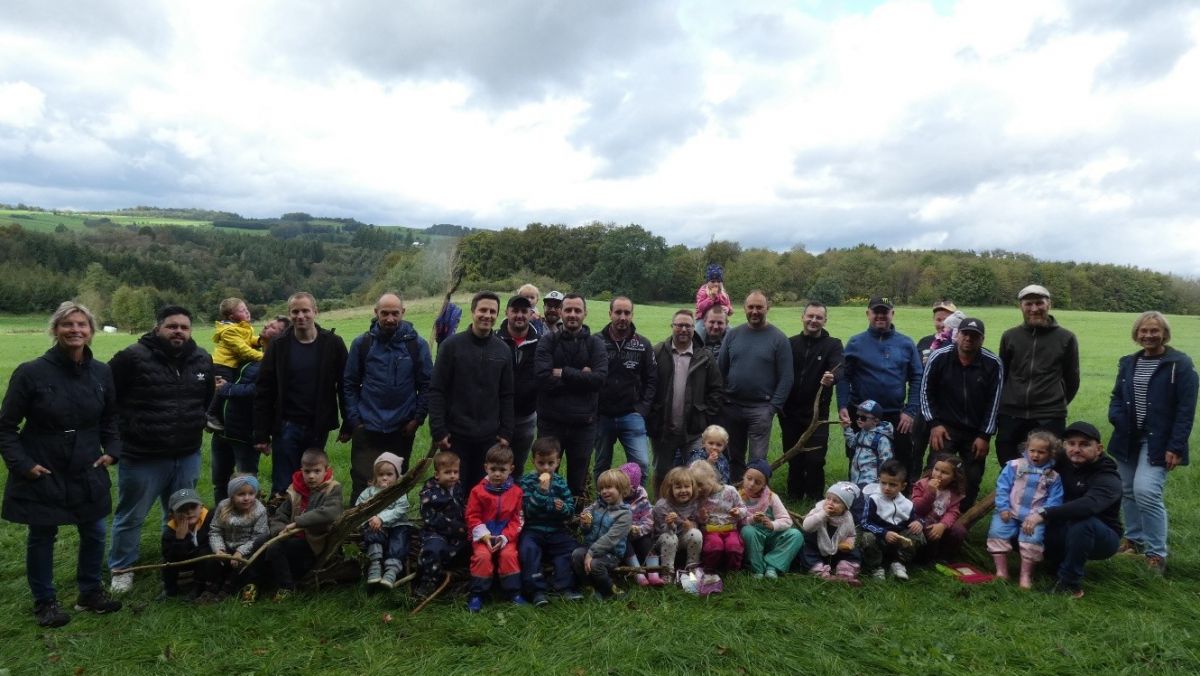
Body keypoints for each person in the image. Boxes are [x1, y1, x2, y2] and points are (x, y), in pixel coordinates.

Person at [0, 301, 122, 626]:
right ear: (55, 330)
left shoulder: (101, 372)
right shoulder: (30, 372)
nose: (76, 330)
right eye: (68, 324)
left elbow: (111, 418)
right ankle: (45, 601)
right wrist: (23, 465)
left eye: (82, 325)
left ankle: (90, 592)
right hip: (43, 465)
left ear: (91, 332)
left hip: (87, 463)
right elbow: (6, 427)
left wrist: (112, 449)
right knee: (43, 534)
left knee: (95, 531)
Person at [108, 304, 213, 594]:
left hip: (187, 453)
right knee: (132, 515)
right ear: (158, 328)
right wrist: (118, 438)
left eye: (184, 327)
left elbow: (206, 401)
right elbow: (108, 401)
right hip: (143, 456)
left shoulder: (202, 359)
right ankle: (122, 568)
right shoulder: (131, 358)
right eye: (172, 326)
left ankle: (179, 560)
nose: (178, 331)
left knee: (183, 512)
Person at [1107, 311, 1196, 575]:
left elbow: (1186, 410)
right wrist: (1117, 418)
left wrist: (1176, 446)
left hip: (1158, 441)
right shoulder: (1128, 362)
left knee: (1146, 491)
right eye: (1143, 331)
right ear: (1136, 334)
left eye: (1154, 331)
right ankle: (1134, 540)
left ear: (1164, 333)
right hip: (1127, 438)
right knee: (1128, 490)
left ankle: (1156, 553)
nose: (1148, 335)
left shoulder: (1180, 364)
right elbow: (1116, 396)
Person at [254, 292, 350, 498]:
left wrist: (348, 423)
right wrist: (261, 432)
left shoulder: (332, 344)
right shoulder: (278, 346)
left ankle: (310, 525)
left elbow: (345, 385)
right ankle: (280, 526)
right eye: (295, 311)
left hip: (318, 426)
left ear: (315, 311)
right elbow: (264, 390)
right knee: (283, 483)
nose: (300, 316)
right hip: (286, 426)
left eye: (305, 310)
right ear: (289, 314)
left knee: (314, 481)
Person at [343, 292, 432, 501]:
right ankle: (356, 526)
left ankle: (392, 526)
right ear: (376, 313)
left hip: (401, 428)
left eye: (395, 313)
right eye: (385, 313)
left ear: (403, 312)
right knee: (362, 481)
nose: (390, 319)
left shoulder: (416, 345)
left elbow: (427, 385)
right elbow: (349, 384)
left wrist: (416, 420)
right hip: (367, 427)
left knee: (395, 483)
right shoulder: (362, 344)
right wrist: (355, 421)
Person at [1024, 422, 1121, 598]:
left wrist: (1044, 514)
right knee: (1019, 523)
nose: (1076, 449)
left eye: (1084, 444)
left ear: (1098, 449)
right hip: (1064, 526)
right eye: (1071, 443)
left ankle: (1070, 584)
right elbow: (1029, 454)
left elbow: (1088, 505)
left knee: (1083, 523)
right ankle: (1054, 562)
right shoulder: (1062, 460)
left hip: (1102, 536)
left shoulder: (1107, 476)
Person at [429, 290, 515, 490]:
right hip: (455, 436)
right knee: (454, 488)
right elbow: (436, 390)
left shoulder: (503, 350)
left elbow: (507, 394)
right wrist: (438, 430)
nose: (487, 315)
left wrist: (506, 432)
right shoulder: (451, 346)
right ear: (473, 312)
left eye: (492, 311)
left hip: (489, 436)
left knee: (483, 491)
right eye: (483, 310)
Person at [918, 317, 1003, 510]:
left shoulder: (993, 363)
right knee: (935, 472)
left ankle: (959, 522)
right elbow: (925, 392)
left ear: (982, 339)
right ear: (957, 335)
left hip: (975, 431)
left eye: (975, 336)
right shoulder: (939, 356)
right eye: (965, 334)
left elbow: (995, 401)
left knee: (971, 478)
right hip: (944, 428)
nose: (969, 339)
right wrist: (934, 424)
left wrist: (984, 435)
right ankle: (925, 516)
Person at [837, 296, 923, 487]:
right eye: (876, 312)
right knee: (858, 455)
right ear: (868, 314)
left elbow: (917, 377)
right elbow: (844, 376)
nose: (881, 316)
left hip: (896, 416)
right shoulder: (856, 343)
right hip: (861, 414)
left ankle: (900, 503)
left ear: (892, 314)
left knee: (900, 459)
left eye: (885, 312)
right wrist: (842, 404)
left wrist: (910, 411)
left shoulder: (906, 343)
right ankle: (857, 496)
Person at [995, 284, 1080, 465]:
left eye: (1039, 303)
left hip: (1049, 415)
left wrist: (1054, 401)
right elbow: (1003, 374)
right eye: (1029, 304)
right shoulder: (1010, 336)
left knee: (1049, 469)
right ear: (1021, 306)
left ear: (1049, 304)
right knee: (1009, 466)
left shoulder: (1066, 338)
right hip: (1011, 414)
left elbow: (1072, 379)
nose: (1034, 309)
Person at [534, 293, 608, 496]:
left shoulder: (596, 344)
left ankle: (574, 522)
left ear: (585, 313)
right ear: (560, 312)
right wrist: (581, 377)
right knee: (546, 478)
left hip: (583, 424)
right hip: (551, 422)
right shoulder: (548, 342)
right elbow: (542, 379)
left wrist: (563, 372)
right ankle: (543, 520)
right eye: (568, 310)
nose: (572, 314)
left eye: (577, 310)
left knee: (578, 482)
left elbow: (598, 380)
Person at [717, 290, 794, 482]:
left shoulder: (778, 338)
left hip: (761, 409)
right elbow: (720, 369)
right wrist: (723, 400)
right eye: (750, 307)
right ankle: (735, 496)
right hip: (732, 406)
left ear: (767, 308)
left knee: (757, 460)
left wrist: (773, 407)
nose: (755, 311)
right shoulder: (733, 335)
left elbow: (787, 378)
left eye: (759, 307)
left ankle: (755, 503)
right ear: (744, 308)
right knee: (733, 457)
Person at [212, 315, 288, 503]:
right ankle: (222, 518)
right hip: (222, 429)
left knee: (246, 482)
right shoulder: (249, 353)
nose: (266, 325)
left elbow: (260, 390)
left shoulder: (278, 361)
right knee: (219, 481)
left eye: (272, 326)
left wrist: (226, 388)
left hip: (245, 432)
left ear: (282, 335)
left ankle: (250, 522)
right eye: (268, 322)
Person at [647, 309, 723, 497]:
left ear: (694, 328)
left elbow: (716, 389)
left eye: (688, 326)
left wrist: (705, 417)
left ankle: (694, 513)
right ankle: (660, 508)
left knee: (696, 472)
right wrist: (653, 415)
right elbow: (648, 386)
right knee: (661, 471)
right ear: (672, 326)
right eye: (679, 325)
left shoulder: (705, 356)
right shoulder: (658, 352)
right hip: (664, 428)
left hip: (694, 429)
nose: (683, 329)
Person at [253, 447, 343, 602]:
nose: (311, 476)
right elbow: (280, 515)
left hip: (314, 541)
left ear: (326, 470)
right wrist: (279, 531)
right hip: (291, 536)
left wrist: (297, 523)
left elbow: (331, 512)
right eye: (307, 471)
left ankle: (287, 587)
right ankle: (255, 582)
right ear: (301, 470)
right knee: (259, 542)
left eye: (317, 471)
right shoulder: (296, 488)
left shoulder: (332, 488)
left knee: (275, 547)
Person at [781, 301, 843, 502]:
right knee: (793, 456)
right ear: (802, 317)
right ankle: (794, 495)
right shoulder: (790, 344)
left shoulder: (833, 345)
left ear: (825, 320)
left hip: (817, 415)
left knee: (815, 458)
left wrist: (832, 378)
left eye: (819, 317)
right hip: (790, 413)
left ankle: (816, 497)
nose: (814, 320)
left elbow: (839, 368)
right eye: (810, 316)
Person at [592, 296, 657, 486]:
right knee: (601, 464)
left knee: (642, 465)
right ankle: (602, 505)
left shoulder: (642, 344)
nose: (622, 317)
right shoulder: (595, 341)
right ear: (610, 313)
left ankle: (637, 506)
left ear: (632, 315)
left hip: (632, 414)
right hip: (602, 415)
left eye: (626, 313)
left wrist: (642, 409)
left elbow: (652, 379)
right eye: (618, 312)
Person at [986, 431, 1063, 588]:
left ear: (1051, 453)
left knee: (1032, 541)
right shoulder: (1014, 466)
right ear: (1026, 449)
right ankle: (1001, 572)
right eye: (1032, 450)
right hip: (1008, 512)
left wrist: (1041, 515)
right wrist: (1003, 507)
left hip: (1034, 517)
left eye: (1041, 452)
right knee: (997, 534)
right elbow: (1002, 487)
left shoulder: (1053, 476)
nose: (1036, 455)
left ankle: (1026, 575)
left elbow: (1055, 500)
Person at [517, 437, 579, 606]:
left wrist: (563, 508)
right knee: (528, 549)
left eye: (550, 463)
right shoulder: (527, 482)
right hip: (533, 529)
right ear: (533, 461)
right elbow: (528, 510)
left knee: (569, 549)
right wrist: (542, 492)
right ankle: (536, 591)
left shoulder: (560, 482)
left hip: (555, 529)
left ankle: (564, 586)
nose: (546, 468)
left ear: (558, 461)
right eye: (541, 463)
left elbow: (570, 511)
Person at [465, 444, 525, 611]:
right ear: (486, 468)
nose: (497, 474)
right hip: (483, 537)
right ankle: (477, 593)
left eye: (502, 470)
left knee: (509, 556)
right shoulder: (477, 492)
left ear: (511, 469)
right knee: (482, 557)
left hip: (506, 537)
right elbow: (472, 517)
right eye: (493, 469)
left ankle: (513, 592)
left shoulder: (517, 493)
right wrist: (485, 536)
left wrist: (505, 537)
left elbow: (517, 520)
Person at [498, 295, 543, 475]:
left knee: (517, 466)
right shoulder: (494, 340)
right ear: (507, 312)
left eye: (524, 311)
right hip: (497, 416)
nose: (519, 315)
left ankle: (515, 501)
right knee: (494, 464)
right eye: (515, 310)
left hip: (526, 416)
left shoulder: (541, 343)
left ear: (531, 314)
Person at [573, 469, 633, 600]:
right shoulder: (596, 507)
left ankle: (610, 590)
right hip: (591, 547)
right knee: (577, 554)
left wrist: (591, 553)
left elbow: (611, 538)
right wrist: (585, 524)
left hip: (611, 553)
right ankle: (589, 586)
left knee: (595, 564)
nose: (604, 491)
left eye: (609, 487)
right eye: (601, 488)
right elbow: (586, 531)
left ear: (621, 489)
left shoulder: (625, 514)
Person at [858, 460, 924, 581]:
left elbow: (914, 519)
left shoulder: (907, 504)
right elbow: (864, 523)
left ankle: (898, 563)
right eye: (883, 483)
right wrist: (884, 533)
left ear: (903, 486)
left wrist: (919, 522)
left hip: (898, 542)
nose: (886, 488)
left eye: (892, 485)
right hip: (879, 539)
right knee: (867, 537)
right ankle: (876, 567)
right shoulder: (873, 499)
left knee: (918, 533)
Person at [415, 451, 468, 599]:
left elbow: (463, 506)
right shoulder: (430, 494)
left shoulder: (457, 487)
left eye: (455, 472)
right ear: (437, 474)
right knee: (433, 550)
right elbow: (431, 519)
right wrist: (457, 527)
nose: (452, 475)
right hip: (436, 533)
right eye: (447, 472)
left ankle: (462, 579)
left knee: (471, 546)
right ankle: (427, 583)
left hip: (458, 533)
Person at [356, 452, 412, 589]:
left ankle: (392, 570)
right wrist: (372, 518)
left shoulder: (398, 492)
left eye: (389, 474)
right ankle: (375, 564)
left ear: (397, 476)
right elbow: (359, 508)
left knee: (400, 538)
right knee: (372, 531)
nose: (385, 478)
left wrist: (381, 517)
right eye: (381, 475)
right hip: (375, 524)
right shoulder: (369, 492)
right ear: (375, 476)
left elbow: (401, 508)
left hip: (397, 524)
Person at [207, 475, 268, 601]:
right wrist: (219, 549)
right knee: (214, 561)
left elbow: (258, 536)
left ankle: (227, 589)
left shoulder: (259, 510)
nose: (247, 498)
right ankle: (212, 587)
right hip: (226, 546)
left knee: (242, 567)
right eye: (241, 494)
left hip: (247, 549)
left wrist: (240, 552)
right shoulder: (223, 506)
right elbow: (215, 530)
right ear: (232, 495)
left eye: (251, 493)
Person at [206, 297, 262, 432]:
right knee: (223, 388)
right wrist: (264, 357)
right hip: (223, 364)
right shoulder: (229, 331)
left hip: (229, 364)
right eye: (242, 310)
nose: (247, 312)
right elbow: (243, 350)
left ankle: (216, 418)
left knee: (225, 388)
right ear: (232, 316)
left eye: (246, 308)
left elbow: (247, 340)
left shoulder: (240, 327)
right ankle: (211, 415)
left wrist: (259, 341)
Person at [740, 460, 802, 580]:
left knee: (796, 535)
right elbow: (736, 523)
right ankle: (757, 568)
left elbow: (787, 521)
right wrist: (752, 519)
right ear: (744, 476)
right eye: (749, 478)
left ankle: (772, 565)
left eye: (757, 482)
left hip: (772, 537)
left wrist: (772, 524)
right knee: (747, 530)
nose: (751, 484)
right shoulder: (737, 496)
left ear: (764, 484)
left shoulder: (771, 497)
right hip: (753, 540)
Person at [800, 481, 861, 586]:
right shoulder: (818, 510)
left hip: (837, 548)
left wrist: (848, 543)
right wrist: (823, 514)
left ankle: (845, 573)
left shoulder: (847, 518)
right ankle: (821, 573)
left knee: (854, 553)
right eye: (828, 498)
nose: (830, 503)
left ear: (845, 508)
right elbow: (806, 526)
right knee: (807, 552)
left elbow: (851, 534)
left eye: (836, 501)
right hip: (816, 546)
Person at [160, 488, 215, 601]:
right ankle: (170, 589)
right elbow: (171, 557)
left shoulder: (211, 519)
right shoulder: (169, 532)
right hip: (185, 560)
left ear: (201, 507)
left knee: (205, 554)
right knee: (166, 563)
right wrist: (180, 539)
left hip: (206, 559)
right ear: (171, 515)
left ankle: (200, 586)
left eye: (193, 507)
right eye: (182, 509)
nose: (189, 512)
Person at [910, 453, 968, 563]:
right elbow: (917, 509)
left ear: (954, 477)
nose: (938, 474)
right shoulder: (921, 485)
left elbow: (953, 512)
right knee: (921, 533)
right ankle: (922, 557)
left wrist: (942, 525)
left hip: (940, 521)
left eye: (945, 472)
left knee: (959, 530)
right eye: (936, 469)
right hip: (921, 519)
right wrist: (931, 493)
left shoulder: (954, 492)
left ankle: (944, 556)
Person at [691, 459, 745, 572]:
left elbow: (744, 509)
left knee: (733, 546)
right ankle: (710, 568)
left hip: (730, 529)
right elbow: (696, 520)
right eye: (695, 486)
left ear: (712, 477)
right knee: (715, 545)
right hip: (711, 530)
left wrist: (738, 512)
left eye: (701, 484)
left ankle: (732, 570)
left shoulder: (730, 491)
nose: (699, 489)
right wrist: (701, 517)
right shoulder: (698, 498)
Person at [651, 466, 703, 576]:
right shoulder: (662, 506)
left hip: (682, 538)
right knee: (670, 538)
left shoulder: (694, 503)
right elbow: (658, 532)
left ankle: (692, 569)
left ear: (692, 487)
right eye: (678, 487)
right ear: (670, 489)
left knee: (696, 534)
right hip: (663, 540)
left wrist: (691, 526)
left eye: (687, 486)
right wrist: (669, 525)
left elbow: (697, 521)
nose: (683, 490)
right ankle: (667, 572)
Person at [618, 462, 663, 587]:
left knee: (647, 542)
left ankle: (654, 573)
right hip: (621, 535)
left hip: (638, 532)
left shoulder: (642, 500)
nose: (620, 489)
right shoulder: (615, 498)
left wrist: (639, 530)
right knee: (625, 544)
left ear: (633, 487)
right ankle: (638, 573)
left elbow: (649, 521)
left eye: (624, 486)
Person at [844, 400, 893, 489]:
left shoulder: (882, 439)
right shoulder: (861, 433)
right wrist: (847, 428)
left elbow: (886, 462)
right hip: (856, 479)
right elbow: (852, 444)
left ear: (875, 421)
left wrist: (881, 481)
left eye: (863, 417)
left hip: (871, 482)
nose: (859, 419)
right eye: (857, 416)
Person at [916, 300, 958, 364]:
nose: (942, 324)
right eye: (938, 320)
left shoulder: (960, 344)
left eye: (947, 320)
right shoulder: (924, 342)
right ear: (933, 319)